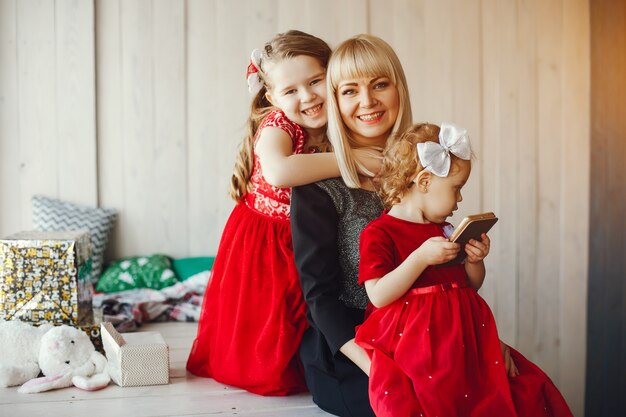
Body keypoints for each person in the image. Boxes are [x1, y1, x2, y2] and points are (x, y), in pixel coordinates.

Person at [187, 30, 376, 396]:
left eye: (315, 81)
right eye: (290, 91)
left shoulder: (341, 118)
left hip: (309, 237)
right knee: (268, 321)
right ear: (271, 97)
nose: (307, 97)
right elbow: (278, 171)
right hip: (267, 236)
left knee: (308, 309)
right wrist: (350, 162)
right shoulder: (279, 125)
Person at [355, 122, 573, 417]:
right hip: (420, 348)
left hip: (465, 340)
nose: (459, 200)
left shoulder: (445, 230)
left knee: (518, 391)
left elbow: (470, 286)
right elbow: (378, 295)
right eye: (456, 189)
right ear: (424, 182)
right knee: (437, 404)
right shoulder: (380, 232)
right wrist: (420, 258)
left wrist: (474, 261)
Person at [291, 34, 413, 417]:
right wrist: (378, 367)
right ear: (335, 101)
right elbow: (320, 299)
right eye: (350, 90)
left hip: (417, 336)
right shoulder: (315, 188)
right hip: (349, 353)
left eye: (380, 84)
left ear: (399, 89)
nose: (367, 102)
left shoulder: (420, 170)